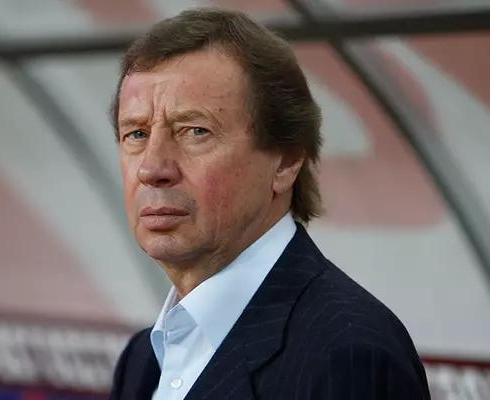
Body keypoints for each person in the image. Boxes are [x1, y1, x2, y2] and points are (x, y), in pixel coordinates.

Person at [109, 7, 430, 400]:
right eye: (136, 134)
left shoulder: (348, 355)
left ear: (286, 161)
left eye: (195, 131)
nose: (152, 169)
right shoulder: (142, 359)